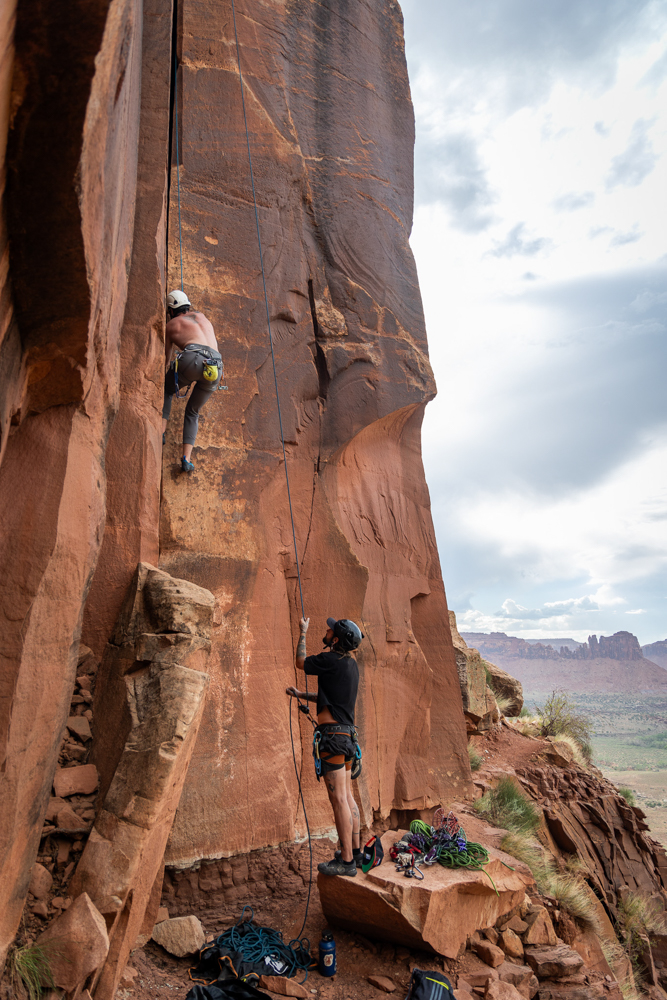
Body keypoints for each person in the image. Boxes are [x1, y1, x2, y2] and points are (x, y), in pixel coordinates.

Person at [286, 616, 364, 877]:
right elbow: (326, 696)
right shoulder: (350, 666)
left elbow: (300, 663)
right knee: (348, 796)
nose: (327, 630)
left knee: (338, 798)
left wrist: (303, 631)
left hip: (333, 738)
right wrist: (301, 695)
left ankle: (346, 862)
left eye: (331, 629)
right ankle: (355, 851)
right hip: (347, 738)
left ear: (338, 638)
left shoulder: (330, 660)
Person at [162, 290, 223, 473]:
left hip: (193, 359)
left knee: (167, 389)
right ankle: (186, 459)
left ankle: (161, 431)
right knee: (193, 411)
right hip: (215, 366)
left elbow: (165, 360)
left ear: (171, 310)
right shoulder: (202, 317)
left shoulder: (172, 324)